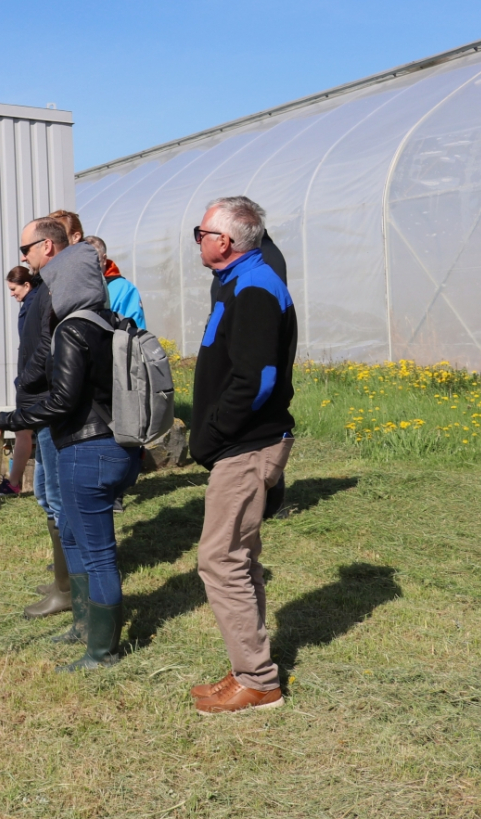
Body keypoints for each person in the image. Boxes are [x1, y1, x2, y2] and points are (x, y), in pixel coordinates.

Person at [0, 229, 142, 670]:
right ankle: (83, 625)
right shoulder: (109, 322)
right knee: (76, 537)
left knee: (98, 552)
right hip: (107, 446)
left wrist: (10, 420)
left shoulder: (74, 329)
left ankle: (101, 651)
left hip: (88, 448)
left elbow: (63, 399)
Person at [188, 196, 297, 714]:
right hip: (240, 444)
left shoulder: (254, 288)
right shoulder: (235, 281)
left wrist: (211, 434)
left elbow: (257, 380)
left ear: (224, 242)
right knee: (239, 557)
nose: (199, 240)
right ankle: (248, 668)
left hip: (246, 447)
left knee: (221, 560)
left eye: (201, 232)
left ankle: (257, 680)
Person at [12, 217, 73, 619]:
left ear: (46, 247)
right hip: (39, 402)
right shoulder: (45, 287)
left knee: (57, 497)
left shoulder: (55, 287)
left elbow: (47, 348)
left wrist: (26, 381)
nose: (23, 257)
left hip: (49, 404)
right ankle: (62, 579)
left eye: (26, 249)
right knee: (47, 495)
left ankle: (68, 589)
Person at [2, 266, 41, 498]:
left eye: (13, 289)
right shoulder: (31, 303)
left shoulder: (31, 306)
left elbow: (33, 346)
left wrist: (24, 378)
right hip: (28, 376)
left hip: (30, 379)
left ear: (27, 285)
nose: (11, 294)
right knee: (26, 431)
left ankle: (15, 482)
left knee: (23, 430)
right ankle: (15, 481)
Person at [86, 235, 147, 330]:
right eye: (85, 261)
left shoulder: (124, 289)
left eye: (94, 260)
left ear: (104, 259)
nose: (89, 266)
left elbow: (136, 331)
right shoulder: (75, 287)